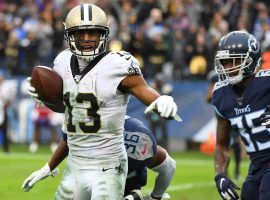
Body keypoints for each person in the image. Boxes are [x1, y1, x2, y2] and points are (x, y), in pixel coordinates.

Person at [26, 3, 179, 200]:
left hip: (108, 164)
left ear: (104, 34)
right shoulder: (62, 61)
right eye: (80, 34)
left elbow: (143, 89)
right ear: (70, 36)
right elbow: (67, 108)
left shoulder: (118, 64)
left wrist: (161, 100)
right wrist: (44, 97)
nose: (87, 38)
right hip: (76, 163)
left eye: (93, 32)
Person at [22, 116, 176, 200]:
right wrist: (48, 167)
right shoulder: (90, 130)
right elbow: (69, 139)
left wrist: (156, 196)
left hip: (126, 180)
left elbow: (169, 166)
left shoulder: (140, 144)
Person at [212, 30, 270, 200]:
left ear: (251, 59)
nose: (228, 67)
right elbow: (222, 144)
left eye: (234, 61)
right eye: (225, 62)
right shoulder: (221, 94)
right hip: (257, 165)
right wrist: (220, 175)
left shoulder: (266, 83)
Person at [206, 70, 242, 181]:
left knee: (235, 143)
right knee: (223, 143)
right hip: (224, 113)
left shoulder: (239, 71)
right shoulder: (214, 76)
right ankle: (224, 174)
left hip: (237, 111)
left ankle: (236, 170)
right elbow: (209, 97)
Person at [146, 73, 173, 150]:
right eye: (157, 81)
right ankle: (152, 150)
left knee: (164, 134)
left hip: (163, 114)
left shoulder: (167, 88)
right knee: (152, 133)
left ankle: (166, 150)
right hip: (153, 113)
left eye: (160, 82)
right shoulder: (152, 87)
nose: (158, 83)